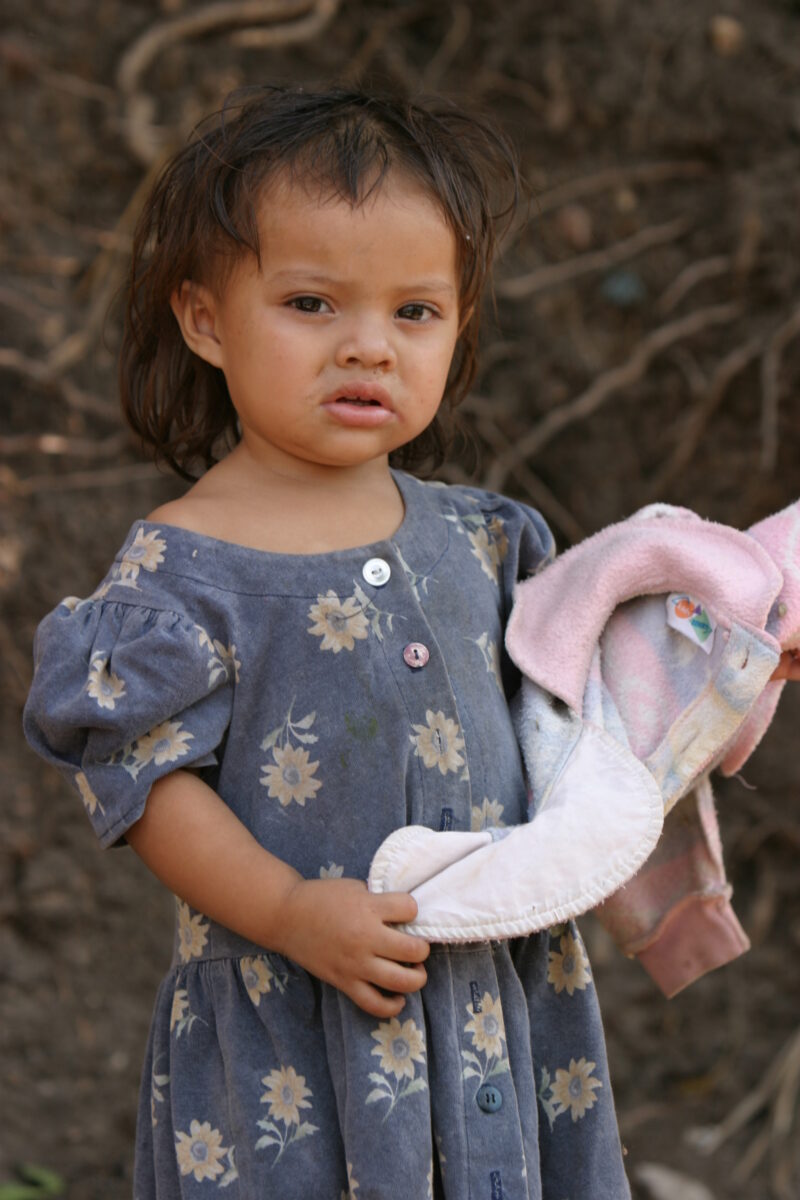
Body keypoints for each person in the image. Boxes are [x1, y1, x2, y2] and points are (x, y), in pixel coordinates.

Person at [23, 85, 799, 1200]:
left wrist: (737, 656)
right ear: (203, 320)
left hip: (497, 1004)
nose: (367, 348)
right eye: (309, 302)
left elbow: (589, 705)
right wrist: (289, 914)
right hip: (306, 1017)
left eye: (414, 313)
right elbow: (149, 785)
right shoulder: (179, 579)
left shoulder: (486, 540)